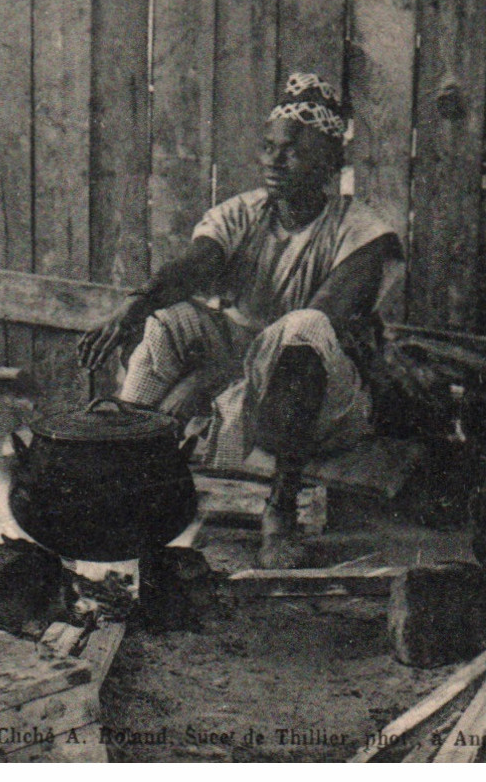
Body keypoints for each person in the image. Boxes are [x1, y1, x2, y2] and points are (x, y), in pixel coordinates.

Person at [79, 72, 401, 568]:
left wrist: (210, 380)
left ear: (329, 163)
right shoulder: (241, 214)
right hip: (242, 366)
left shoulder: (364, 233)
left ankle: (281, 512)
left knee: (303, 327)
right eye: (269, 147)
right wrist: (135, 306)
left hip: (322, 405)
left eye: (293, 149)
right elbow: (195, 267)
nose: (275, 159)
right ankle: (118, 474)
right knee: (166, 322)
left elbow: (316, 329)